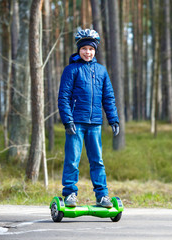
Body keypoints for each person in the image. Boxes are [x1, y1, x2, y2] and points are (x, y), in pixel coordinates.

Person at [58, 29, 120, 208]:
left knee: (97, 161)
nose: (87, 52)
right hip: (76, 123)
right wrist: (67, 120)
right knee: (72, 159)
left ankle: (102, 196)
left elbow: (108, 97)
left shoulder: (101, 71)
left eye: (91, 49)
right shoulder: (71, 70)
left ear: (95, 51)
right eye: (84, 48)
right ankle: (69, 194)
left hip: (95, 124)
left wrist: (113, 119)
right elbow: (63, 97)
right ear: (79, 50)